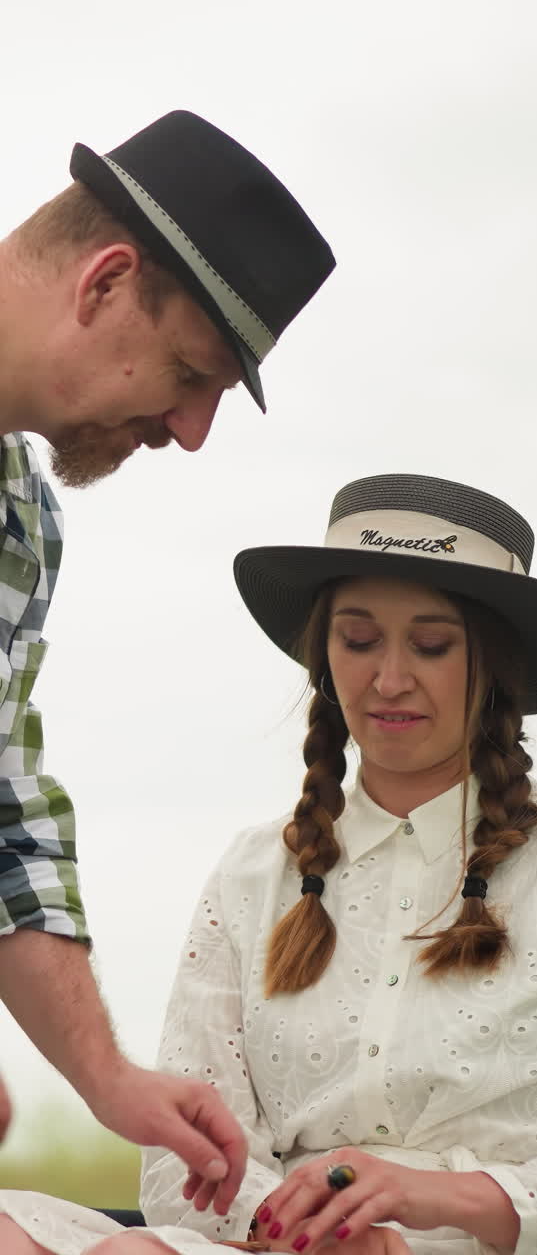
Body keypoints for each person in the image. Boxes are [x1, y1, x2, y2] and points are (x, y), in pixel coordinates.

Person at [1, 473, 537, 1255]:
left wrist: (432, 1202)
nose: (388, 680)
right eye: (359, 638)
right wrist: (320, 1233)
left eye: (433, 644)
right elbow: (186, 1174)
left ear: (498, 661)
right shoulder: (252, 874)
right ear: (322, 652)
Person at [0, 107, 335, 1207]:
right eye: (193, 373)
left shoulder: (24, 526)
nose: (190, 431)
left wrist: (105, 1076)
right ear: (103, 284)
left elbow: (6, 818)